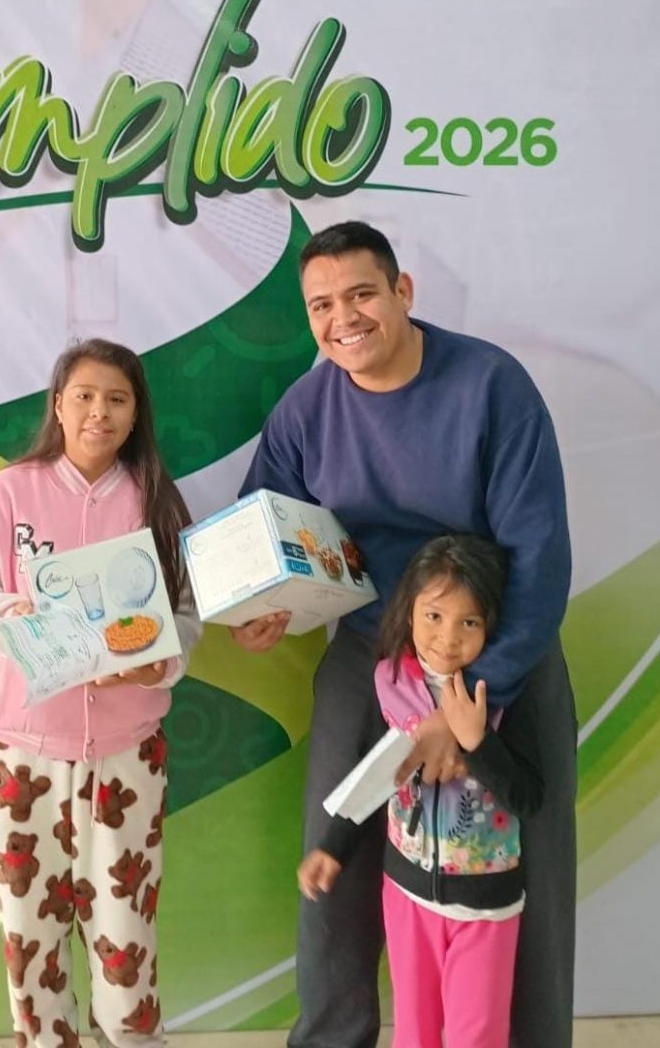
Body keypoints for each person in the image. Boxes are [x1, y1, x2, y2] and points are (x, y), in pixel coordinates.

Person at [234, 220, 576, 1048]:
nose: (343, 319)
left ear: (403, 293)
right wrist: (265, 602)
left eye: (361, 294)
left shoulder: (492, 386)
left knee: (527, 862)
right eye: (322, 305)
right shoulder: (307, 408)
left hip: (496, 648)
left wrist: (469, 705)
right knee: (336, 858)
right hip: (371, 648)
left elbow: (541, 560)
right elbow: (261, 524)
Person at [0, 339, 201, 1048]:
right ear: (58, 406)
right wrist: (17, 618)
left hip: (126, 759)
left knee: (126, 940)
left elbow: (185, 619)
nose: (99, 412)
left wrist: (155, 665)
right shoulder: (10, 493)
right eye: (84, 396)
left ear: (136, 413)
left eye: (117, 399)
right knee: (30, 940)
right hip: (18, 758)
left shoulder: (155, 501)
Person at [299, 534, 543, 1048]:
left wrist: (477, 742)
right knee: (414, 1034)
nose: (447, 638)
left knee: (477, 1037)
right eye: (434, 615)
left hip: (485, 908)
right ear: (408, 610)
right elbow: (374, 775)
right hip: (407, 898)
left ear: (492, 624)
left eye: (468, 622)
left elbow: (529, 797)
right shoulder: (389, 683)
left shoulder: (502, 697)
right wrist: (331, 847)